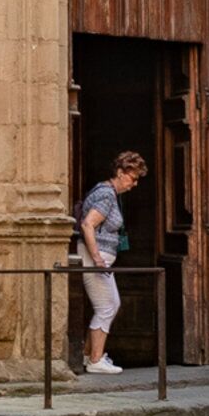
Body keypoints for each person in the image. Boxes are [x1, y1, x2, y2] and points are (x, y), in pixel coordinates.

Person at [73, 150, 140, 376]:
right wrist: (97, 258)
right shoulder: (107, 195)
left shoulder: (107, 192)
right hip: (96, 260)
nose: (135, 184)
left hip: (98, 260)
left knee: (110, 304)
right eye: (132, 178)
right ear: (120, 173)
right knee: (107, 306)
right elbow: (88, 225)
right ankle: (95, 360)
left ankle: (88, 353)